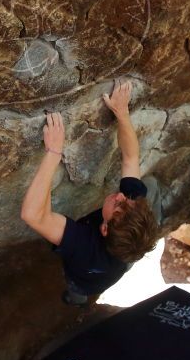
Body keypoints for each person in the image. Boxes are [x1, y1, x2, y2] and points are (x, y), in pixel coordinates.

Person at [20, 79, 160, 307]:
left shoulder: (85, 247)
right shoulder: (130, 212)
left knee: (79, 286)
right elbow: (130, 158)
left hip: (85, 277)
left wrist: (54, 152)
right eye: (126, 200)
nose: (121, 196)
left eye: (118, 204)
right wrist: (122, 113)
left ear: (104, 229)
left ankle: (76, 298)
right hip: (119, 264)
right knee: (149, 186)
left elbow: (33, 215)